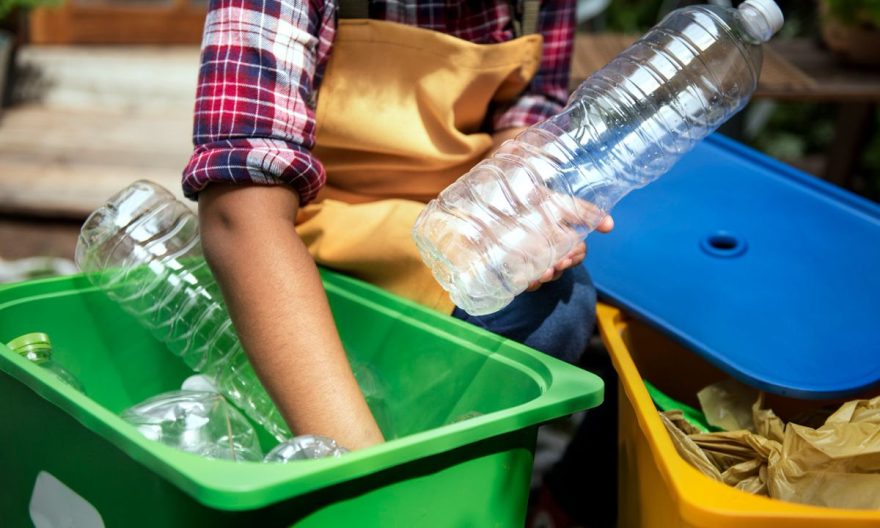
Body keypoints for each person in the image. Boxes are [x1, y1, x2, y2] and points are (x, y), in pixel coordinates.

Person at [182, 0, 612, 457]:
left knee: (558, 306)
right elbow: (240, 211)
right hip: (308, 235)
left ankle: (430, 458)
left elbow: (527, 111)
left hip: (446, 228)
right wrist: (362, 467)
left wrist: (513, 204)